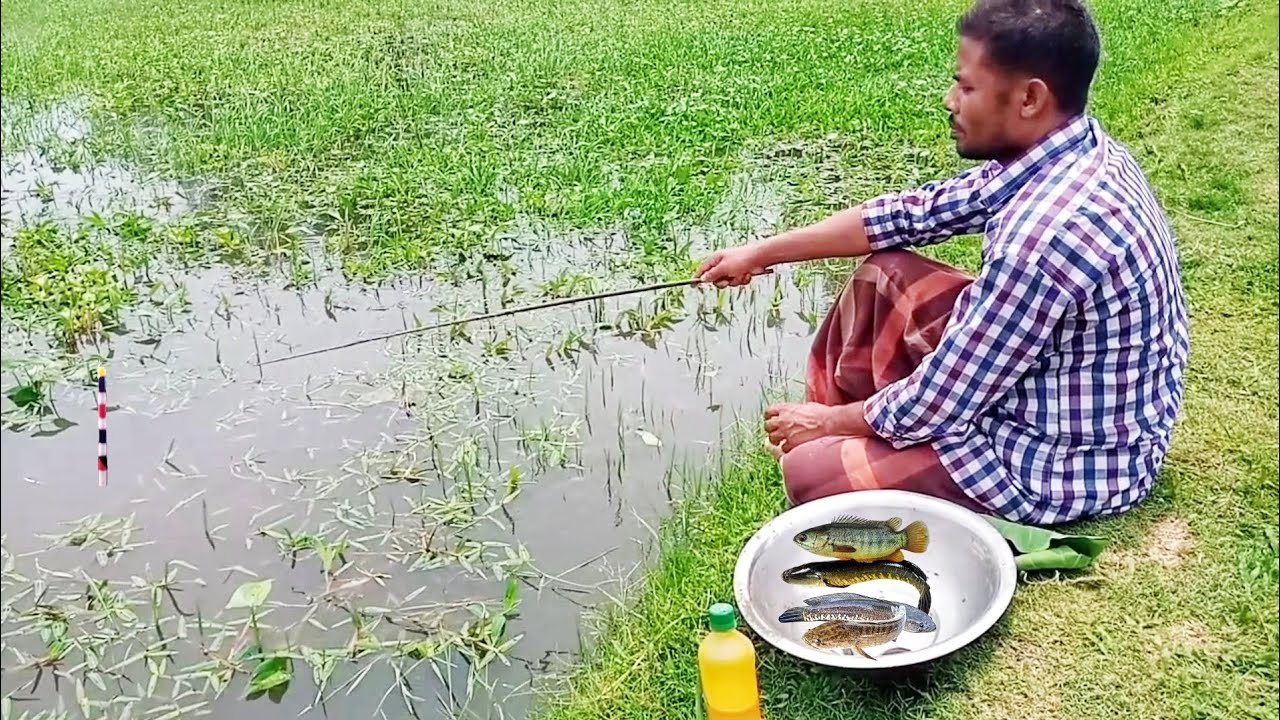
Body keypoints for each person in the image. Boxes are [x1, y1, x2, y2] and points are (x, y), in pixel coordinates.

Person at [695, 0, 1188, 525]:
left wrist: (829, 425)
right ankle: (845, 426)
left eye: (967, 87)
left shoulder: (1046, 233)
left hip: (1061, 463)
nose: (949, 101)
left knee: (808, 474)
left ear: (1029, 98)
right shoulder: (1068, 151)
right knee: (883, 273)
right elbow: (910, 215)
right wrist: (762, 251)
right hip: (1046, 386)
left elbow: (943, 399)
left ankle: (826, 432)